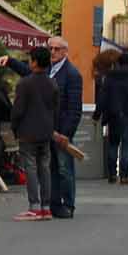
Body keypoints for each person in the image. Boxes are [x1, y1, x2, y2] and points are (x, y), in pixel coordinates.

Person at [11, 46, 60, 222]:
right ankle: (46, 207)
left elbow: (18, 110)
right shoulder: (52, 83)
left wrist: (14, 127)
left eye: (31, 59)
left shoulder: (25, 83)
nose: (29, 62)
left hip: (28, 132)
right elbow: (55, 108)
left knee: (31, 168)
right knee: (45, 168)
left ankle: (34, 206)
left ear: (35, 62)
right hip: (46, 132)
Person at [98, 48, 128, 186]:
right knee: (126, 145)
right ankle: (124, 176)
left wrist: (98, 114)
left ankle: (112, 174)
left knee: (113, 145)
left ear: (118, 63)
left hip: (114, 115)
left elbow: (103, 96)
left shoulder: (109, 77)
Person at [48, 37, 84, 218]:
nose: (52, 52)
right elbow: (28, 72)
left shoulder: (72, 74)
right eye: (51, 48)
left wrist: (66, 133)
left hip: (62, 130)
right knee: (51, 168)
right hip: (48, 129)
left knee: (64, 169)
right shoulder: (48, 70)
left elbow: (74, 108)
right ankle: (55, 204)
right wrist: (10, 62)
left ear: (64, 52)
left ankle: (68, 204)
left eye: (56, 49)